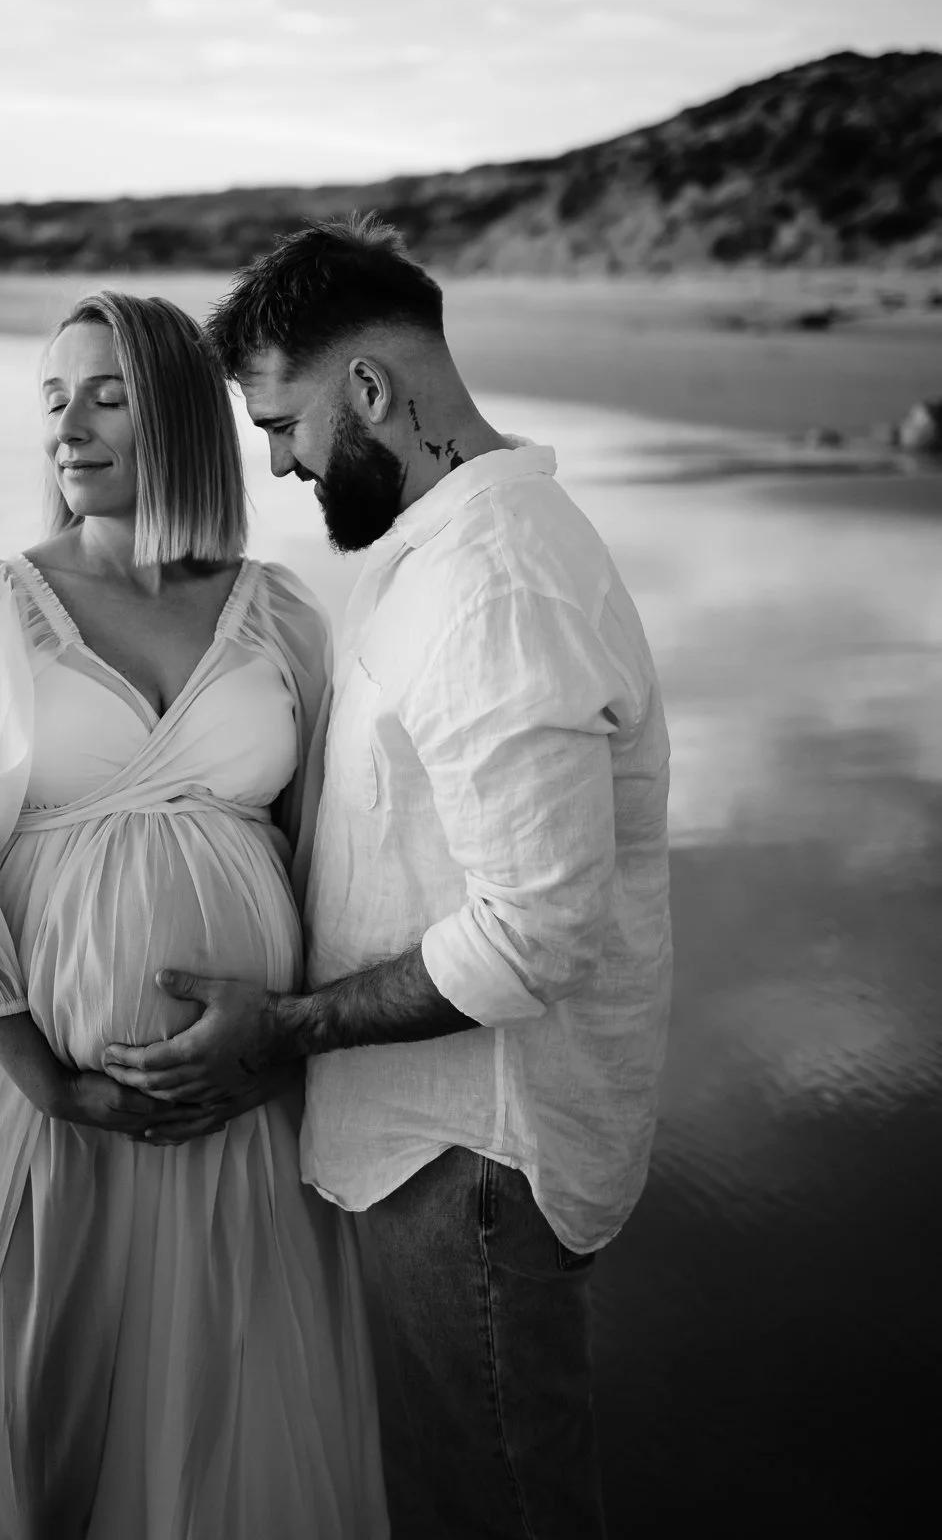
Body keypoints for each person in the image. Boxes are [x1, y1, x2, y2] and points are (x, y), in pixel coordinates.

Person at [105, 222, 673, 1540]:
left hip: (467, 1154)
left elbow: (534, 940)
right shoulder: (432, 554)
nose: (277, 460)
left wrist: (287, 1026)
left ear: (367, 393)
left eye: (284, 422)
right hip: (431, 1146)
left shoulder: (493, 587)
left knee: (493, 1505)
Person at [0, 290, 388, 1540]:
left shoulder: (281, 612)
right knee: (32, 1393)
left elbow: (325, 850)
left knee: (214, 1398)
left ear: (179, 413)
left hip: (237, 1098)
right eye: (53, 398)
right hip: (31, 1097)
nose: (68, 426)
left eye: (106, 394)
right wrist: (47, 1079)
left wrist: (284, 1034)